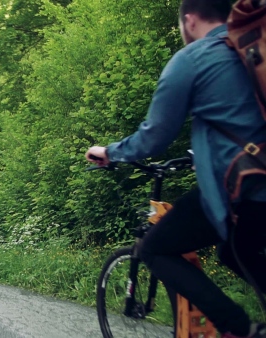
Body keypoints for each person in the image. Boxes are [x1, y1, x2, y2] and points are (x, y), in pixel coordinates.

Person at [85, 0, 266, 337]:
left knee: (154, 247)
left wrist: (109, 152)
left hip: (245, 189)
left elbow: (154, 137)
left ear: (190, 19)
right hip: (256, 186)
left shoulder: (193, 58)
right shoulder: (252, 48)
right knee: (232, 251)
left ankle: (238, 329)